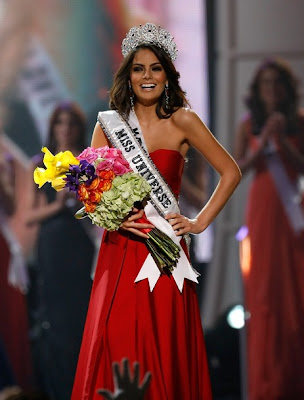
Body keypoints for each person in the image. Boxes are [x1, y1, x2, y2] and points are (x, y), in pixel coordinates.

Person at [72, 23, 241, 400]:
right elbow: (89, 189)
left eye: (155, 68)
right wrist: (111, 214)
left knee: (162, 342)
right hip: (120, 249)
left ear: (167, 75)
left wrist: (198, 223)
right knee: (117, 340)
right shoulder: (109, 124)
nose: (147, 77)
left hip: (163, 250)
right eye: (138, 68)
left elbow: (231, 172)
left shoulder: (183, 120)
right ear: (127, 75)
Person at [234, 58, 304, 399]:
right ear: (257, 92)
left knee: (296, 294)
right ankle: (267, 385)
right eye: (266, 84)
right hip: (262, 214)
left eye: (277, 83)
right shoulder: (248, 126)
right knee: (264, 297)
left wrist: (284, 141)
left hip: (293, 216)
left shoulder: (299, 123)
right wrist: (262, 144)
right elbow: (234, 170)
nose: (272, 90)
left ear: (286, 89)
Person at [25, 102, 96, 400]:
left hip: (79, 244)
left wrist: (81, 202)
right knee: (55, 320)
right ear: (53, 127)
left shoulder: (90, 161)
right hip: (52, 245)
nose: (65, 129)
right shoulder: (39, 164)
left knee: (81, 316)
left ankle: (85, 386)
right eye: (60, 123)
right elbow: (29, 216)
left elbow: (98, 209)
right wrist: (56, 206)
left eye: (71, 123)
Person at [0, 134, 33, 389]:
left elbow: (10, 207)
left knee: (9, 319)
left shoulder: (4, 158)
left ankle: (16, 385)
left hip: (3, 249)